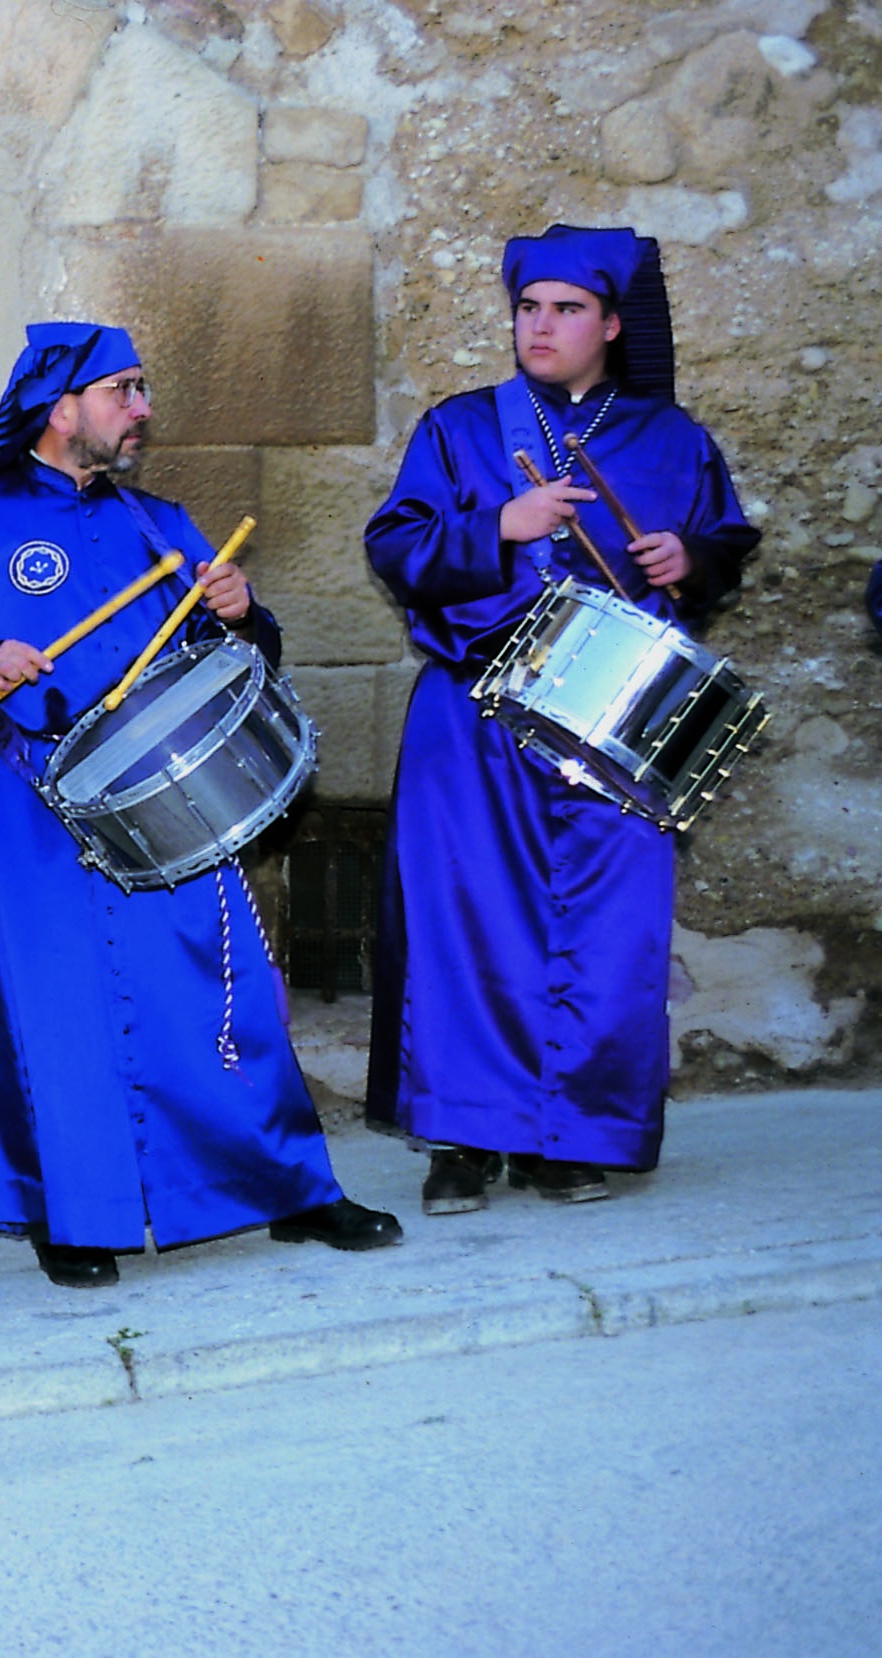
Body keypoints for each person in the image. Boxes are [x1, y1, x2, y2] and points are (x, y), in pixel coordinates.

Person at [0, 321, 402, 1289]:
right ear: (57, 406)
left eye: (141, 387)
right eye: (122, 389)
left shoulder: (160, 523)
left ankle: (291, 1189)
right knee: (56, 1006)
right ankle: (72, 1212)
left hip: (169, 799)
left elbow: (243, 657)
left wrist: (245, 613)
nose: (142, 408)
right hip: (27, 800)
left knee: (218, 998)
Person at [364, 225, 759, 1212]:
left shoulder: (674, 440)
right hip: (475, 712)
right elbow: (394, 545)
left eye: (565, 310)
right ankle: (461, 1136)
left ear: (609, 325)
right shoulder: (458, 428)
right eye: (527, 308)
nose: (538, 326)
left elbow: (723, 541)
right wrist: (495, 524)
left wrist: (692, 562)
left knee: (609, 929)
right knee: (463, 926)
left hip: (617, 725)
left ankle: (575, 1132)